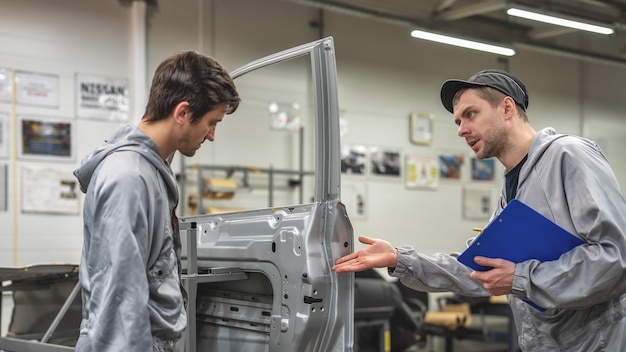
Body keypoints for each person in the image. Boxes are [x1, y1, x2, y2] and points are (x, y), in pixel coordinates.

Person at [333, 69, 626, 351]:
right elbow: (477, 269)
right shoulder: (511, 186)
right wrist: (399, 258)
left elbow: (616, 257)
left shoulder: (567, 154)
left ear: (507, 108)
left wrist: (521, 278)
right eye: (458, 121)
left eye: (470, 114)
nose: (461, 130)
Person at [73, 51, 240, 352]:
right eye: (212, 123)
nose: (212, 135)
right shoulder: (129, 178)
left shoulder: (149, 170)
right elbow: (120, 300)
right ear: (183, 113)